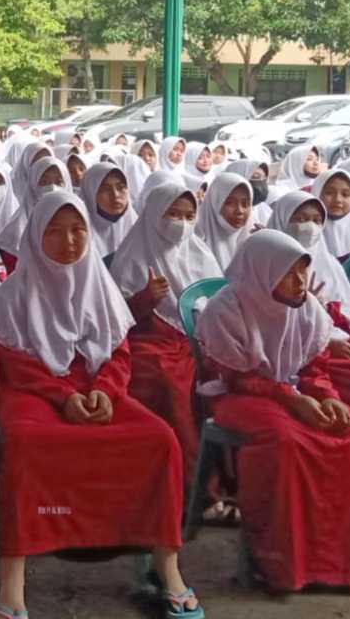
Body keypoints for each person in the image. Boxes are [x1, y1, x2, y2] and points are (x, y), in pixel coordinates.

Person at [0, 191, 201, 619]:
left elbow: (119, 352)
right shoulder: (15, 293)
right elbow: (15, 363)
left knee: (160, 439)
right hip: (35, 391)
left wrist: (106, 389)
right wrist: (64, 397)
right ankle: (13, 580)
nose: (69, 241)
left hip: (100, 389)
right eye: (55, 231)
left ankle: (167, 565)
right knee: (28, 442)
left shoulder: (100, 287)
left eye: (78, 229)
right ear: (34, 237)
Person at [196, 230, 350, 592]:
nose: (300, 281)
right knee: (287, 444)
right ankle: (279, 561)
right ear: (262, 272)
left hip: (294, 391)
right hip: (240, 395)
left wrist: (327, 396)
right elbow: (236, 377)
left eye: (303, 271)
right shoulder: (226, 309)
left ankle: (339, 561)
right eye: (289, 273)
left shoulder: (306, 309)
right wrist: (293, 400)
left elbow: (314, 368)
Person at [111, 183, 222, 481]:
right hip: (150, 341)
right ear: (154, 215)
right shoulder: (134, 254)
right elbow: (117, 318)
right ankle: (189, 483)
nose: (181, 224)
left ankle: (225, 481)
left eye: (188, 216)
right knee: (168, 380)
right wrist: (145, 298)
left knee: (225, 375)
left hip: (198, 340)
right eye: (172, 214)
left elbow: (219, 304)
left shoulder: (200, 253)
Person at [268, 191, 350, 417]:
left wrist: (327, 310)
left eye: (316, 220)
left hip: (336, 338)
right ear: (281, 220)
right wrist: (322, 337)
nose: (308, 227)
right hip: (293, 351)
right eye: (299, 219)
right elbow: (267, 322)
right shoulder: (266, 262)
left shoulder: (327, 262)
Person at [78, 162, 137, 262]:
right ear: (90, 194)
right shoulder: (79, 235)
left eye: (121, 187)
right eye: (105, 189)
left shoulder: (139, 227)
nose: (115, 195)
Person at [192, 172, 252, 270]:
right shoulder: (194, 242)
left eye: (245, 204)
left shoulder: (251, 242)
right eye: (229, 203)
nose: (240, 211)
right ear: (214, 202)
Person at [313, 168, 350, 261]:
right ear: (317, 193)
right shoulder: (306, 237)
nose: (338, 199)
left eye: (345, 194)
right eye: (329, 193)